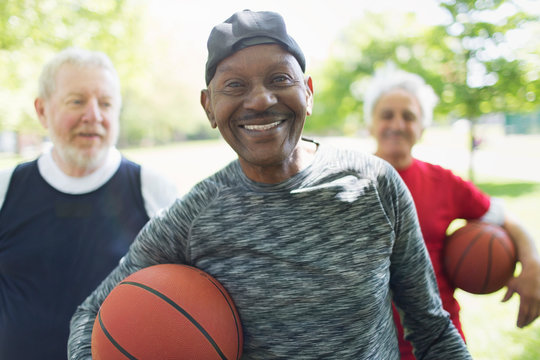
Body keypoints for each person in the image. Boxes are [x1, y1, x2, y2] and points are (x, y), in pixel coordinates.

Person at [68, 10, 472, 359]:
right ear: (209, 106)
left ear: (308, 93)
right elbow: (91, 315)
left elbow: (432, 330)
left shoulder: (376, 186)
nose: (260, 100)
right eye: (234, 86)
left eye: (280, 78)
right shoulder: (194, 216)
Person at [0, 48, 178, 360]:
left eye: (106, 103)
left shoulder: (152, 189)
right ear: (42, 111)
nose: (93, 116)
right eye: (77, 101)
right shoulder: (6, 187)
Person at [362, 66, 540, 359]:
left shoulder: (444, 182)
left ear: (422, 127)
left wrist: (532, 265)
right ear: (371, 124)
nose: (397, 123)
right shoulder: (345, 183)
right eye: (386, 115)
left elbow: (506, 218)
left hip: (437, 341)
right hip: (365, 344)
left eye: (408, 116)